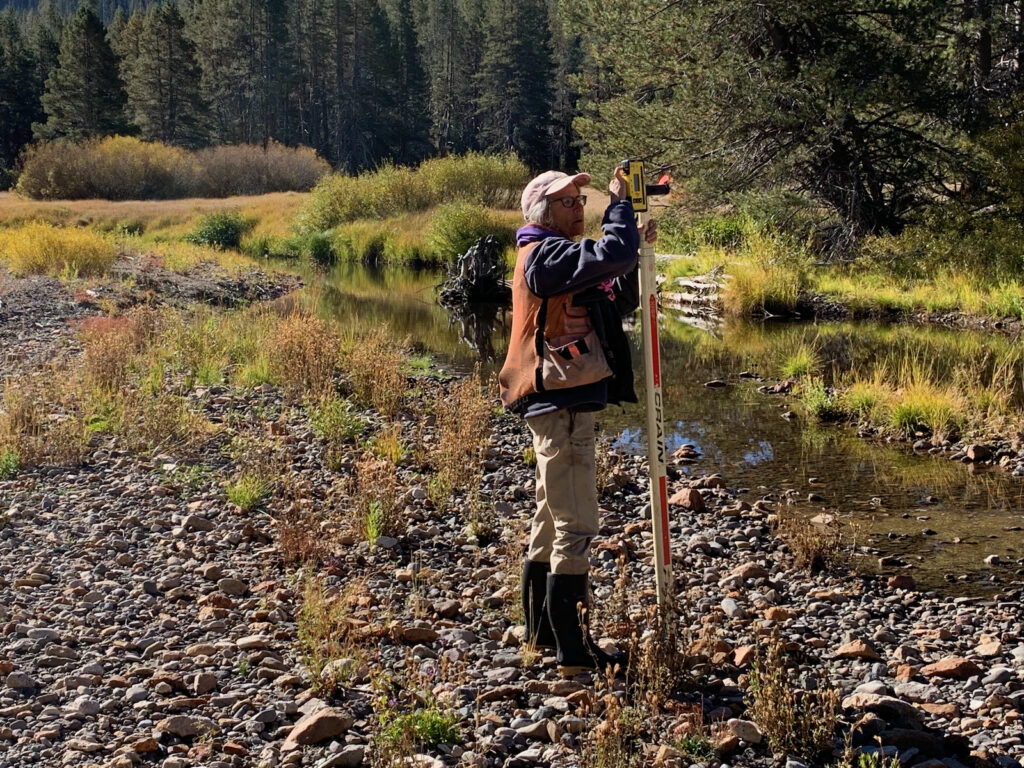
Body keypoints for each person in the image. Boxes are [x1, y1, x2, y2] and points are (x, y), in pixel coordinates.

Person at [498, 168, 657, 676]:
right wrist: (620, 211)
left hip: (562, 401)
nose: (578, 208)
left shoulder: (554, 257)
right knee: (577, 522)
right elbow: (606, 255)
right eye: (568, 202)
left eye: (580, 199)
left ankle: (544, 635)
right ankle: (573, 650)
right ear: (542, 212)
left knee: (551, 515)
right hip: (559, 404)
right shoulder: (543, 255)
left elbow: (616, 296)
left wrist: (632, 247)